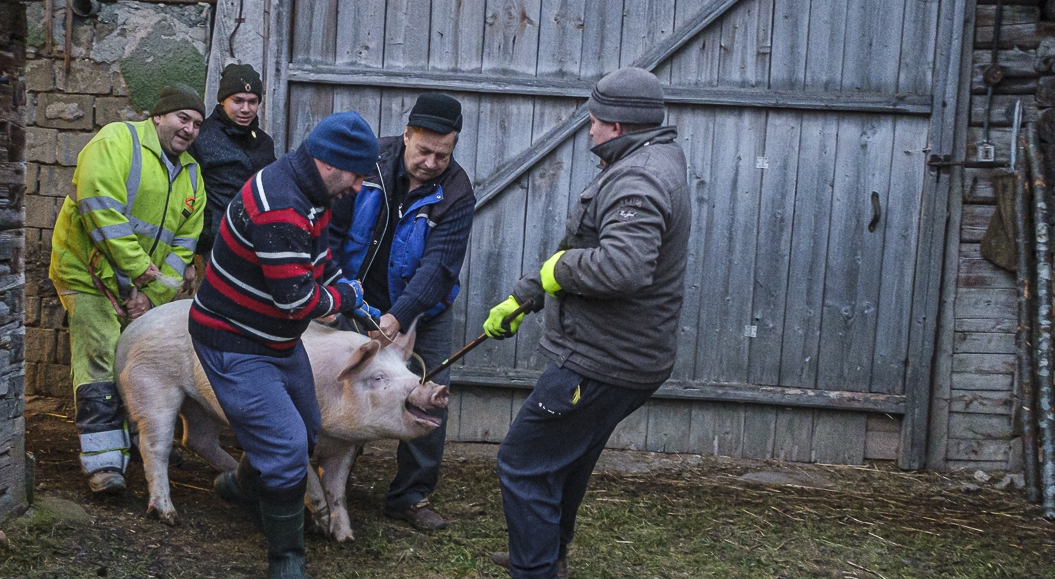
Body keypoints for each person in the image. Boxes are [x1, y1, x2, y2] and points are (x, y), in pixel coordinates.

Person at [483, 67, 691, 579]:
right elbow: (588, 245)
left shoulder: (639, 177)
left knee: (523, 462)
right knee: (564, 461)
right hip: (624, 355)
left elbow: (623, 267)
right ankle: (545, 553)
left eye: (593, 121)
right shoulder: (647, 159)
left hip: (602, 361)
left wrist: (556, 271)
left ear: (616, 125)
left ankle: (535, 569)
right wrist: (528, 294)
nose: (589, 130)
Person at [187, 111, 377, 579]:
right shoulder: (282, 206)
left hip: (271, 338)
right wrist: (348, 296)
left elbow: (319, 260)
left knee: (308, 427)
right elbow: (298, 301)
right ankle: (286, 562)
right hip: (233, 340)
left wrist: (349, 295)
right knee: (289, 448)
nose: (357, 186)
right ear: (331, 163)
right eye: (356, 175)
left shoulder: (313, 194)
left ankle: (242, 485)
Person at [48, 83, 207, 494]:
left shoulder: (191, 175)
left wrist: (149, 298)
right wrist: (136, 278)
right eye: (182, 118)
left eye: (196, 124)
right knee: (100, 356)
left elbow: (184, 245)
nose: (188, 130)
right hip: (86, 274)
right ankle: (103, 465)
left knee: (132, 360)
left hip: (139, 292)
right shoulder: (117, 141)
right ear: (158, 116)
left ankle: (139, 444)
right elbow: (100, 211)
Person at [327, 92, 476, 531]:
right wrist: (334, 290)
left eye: (442, 154)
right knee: (340, 388)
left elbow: (439, 268)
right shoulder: (367, 163)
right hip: (352, 299)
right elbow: (331, 233)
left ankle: (410, 495)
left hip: (422, 309)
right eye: (424, 150)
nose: (431, 162)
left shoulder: (457, 192)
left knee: (428, 394)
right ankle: (333, 480)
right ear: (406, 135)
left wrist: (400, 316)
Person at [189, 63, 277, 258]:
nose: (246, 109)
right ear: (222, 101)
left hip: (259, 238)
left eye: (252, 101)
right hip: (217, 240)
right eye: (237, 101)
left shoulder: (264, 142)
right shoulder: (202, 138)